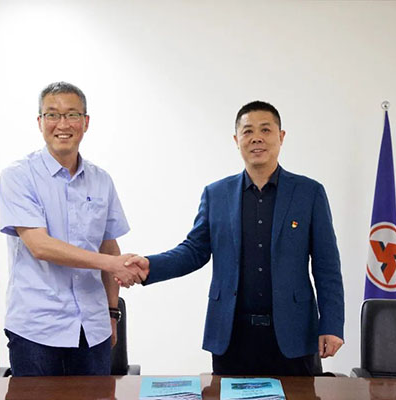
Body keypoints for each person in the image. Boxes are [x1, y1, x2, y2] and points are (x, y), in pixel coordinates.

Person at [127, 101, 344, 375]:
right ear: (236, 140)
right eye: (248, 131)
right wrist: (151, 265)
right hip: (232, 336)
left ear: (281, 136)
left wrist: (332, 325)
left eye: (265, 130)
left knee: (299, 395)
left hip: (294, 334)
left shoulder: (308, 193)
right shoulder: (216, 194)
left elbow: (327, 266)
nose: (256, 138)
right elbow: (194, 250)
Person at [0, 81, 147, 377]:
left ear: (86, 122)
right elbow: (40, 246)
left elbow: (109, 246)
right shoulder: (18, 176)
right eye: (52, 115)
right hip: (37, 330)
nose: (63, 124)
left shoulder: (101, 180)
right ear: (40, 122)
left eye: (72, 115)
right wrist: (112, 264)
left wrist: (112, 313)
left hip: (93, 329)